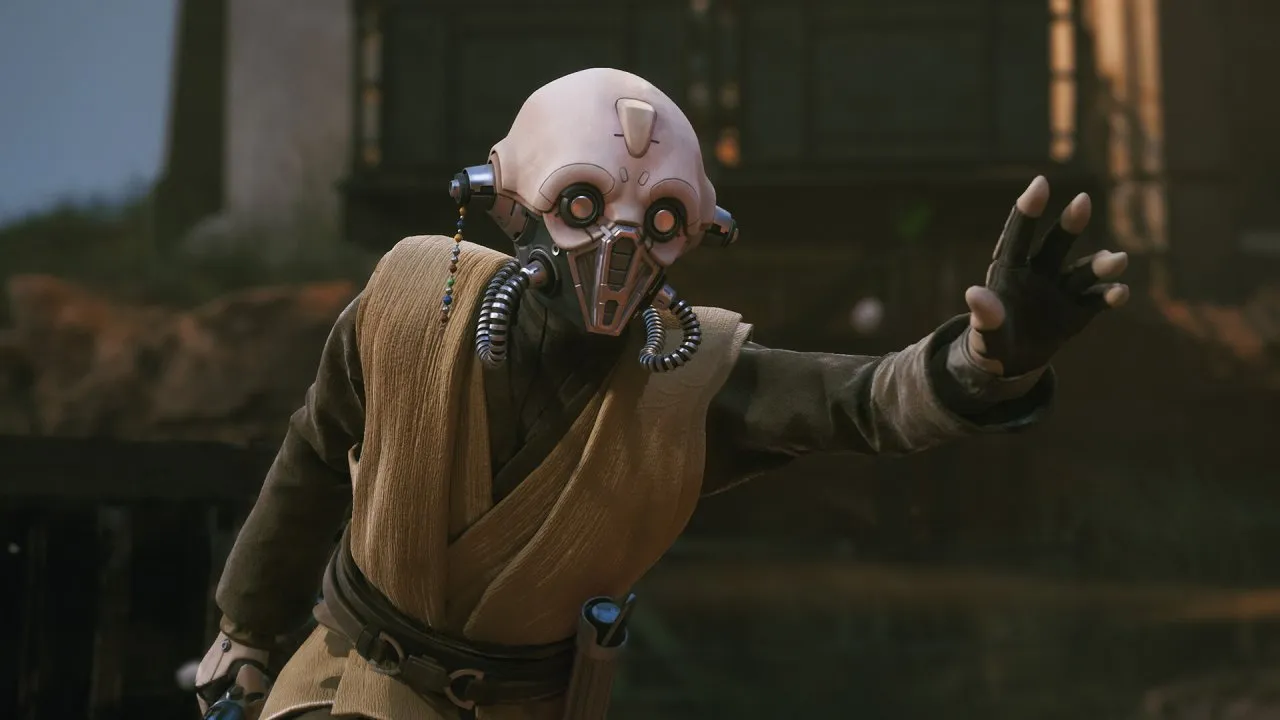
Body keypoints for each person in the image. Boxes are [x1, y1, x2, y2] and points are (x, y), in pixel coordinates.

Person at [193, 68, 1130, 720]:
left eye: (662, 218)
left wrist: (980, 363)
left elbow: (865, 401)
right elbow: (317, 453)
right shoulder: (406, 302)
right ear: (510, 201)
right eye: (585, 203)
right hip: (352, 686)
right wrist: (245, 629)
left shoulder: (691, 381)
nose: (621, 245)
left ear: (696, 230)